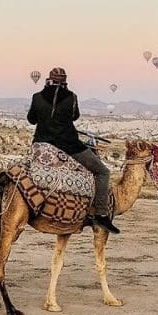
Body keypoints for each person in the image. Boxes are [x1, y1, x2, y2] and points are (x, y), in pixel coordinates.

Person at [27, 67, 119, 234]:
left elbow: (31, 120)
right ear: (65, 81)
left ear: (48, 79)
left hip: (42, 146)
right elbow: (75, 116)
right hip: (68, 145)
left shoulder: (37, 97)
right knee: (103, 172)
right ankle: (101, 214)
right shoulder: (72, 98)